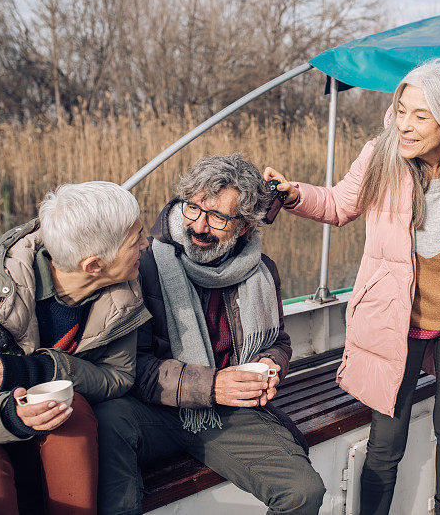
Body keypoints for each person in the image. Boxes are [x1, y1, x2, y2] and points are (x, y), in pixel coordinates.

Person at [264, 58, 440, 515]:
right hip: (397, 321)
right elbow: (336, 204)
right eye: (402, 110)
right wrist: (295, 195)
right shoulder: (381, 155)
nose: (405, 126)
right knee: (386, 441)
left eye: (421, 115)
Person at [94, 153, 325, 515]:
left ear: (245, 226)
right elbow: (130, 366)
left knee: (303, 492)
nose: (199, 226)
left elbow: (278, 340)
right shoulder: (145, 265)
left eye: (218, 217)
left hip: (232, 413)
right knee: (108, 419)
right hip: (156, 409)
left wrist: (270, 364)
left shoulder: (263, 271)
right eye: (193, 208)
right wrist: (212, 384)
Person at [0, 181, 151, 515]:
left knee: (74, 414)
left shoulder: (121, 290)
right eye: (137, 240)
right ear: (93, 265)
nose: (146, 245)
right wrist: (9, 415)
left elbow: (118, 376)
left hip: (46, 431)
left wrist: (40, 370)